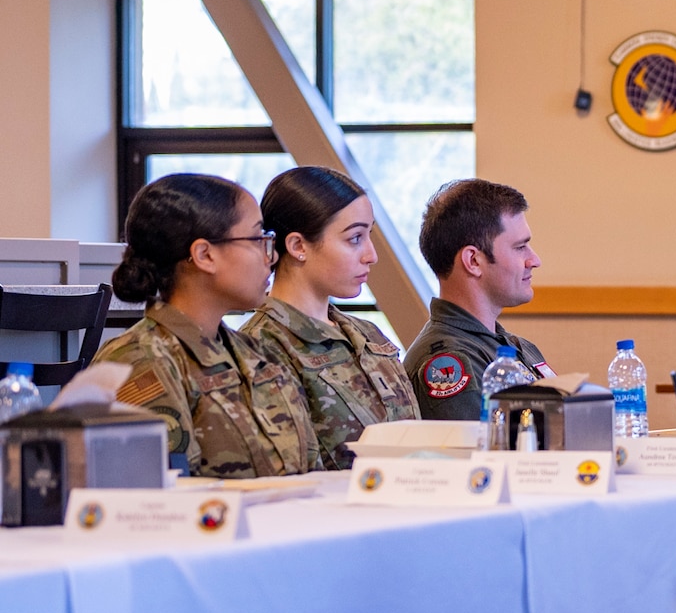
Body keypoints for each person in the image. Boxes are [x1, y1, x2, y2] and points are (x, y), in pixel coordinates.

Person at [92, 174, 320, 477]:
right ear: (205, 255)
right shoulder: (138, 361)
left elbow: (311, 471)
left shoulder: (258, 354)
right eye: (257, 240)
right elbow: (163, 499)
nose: (272, 256)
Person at [239, 166, 418, 468]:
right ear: (298, 246)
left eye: (368, 235)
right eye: (355, 238)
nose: (371, 255)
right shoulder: (261, 347)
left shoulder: (368, 334)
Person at [402, 178, 552, 421]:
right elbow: (482, 456)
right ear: (473, 261)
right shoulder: (448, 362)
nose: (534, 260)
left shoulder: (518, 347)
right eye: (520, 247)